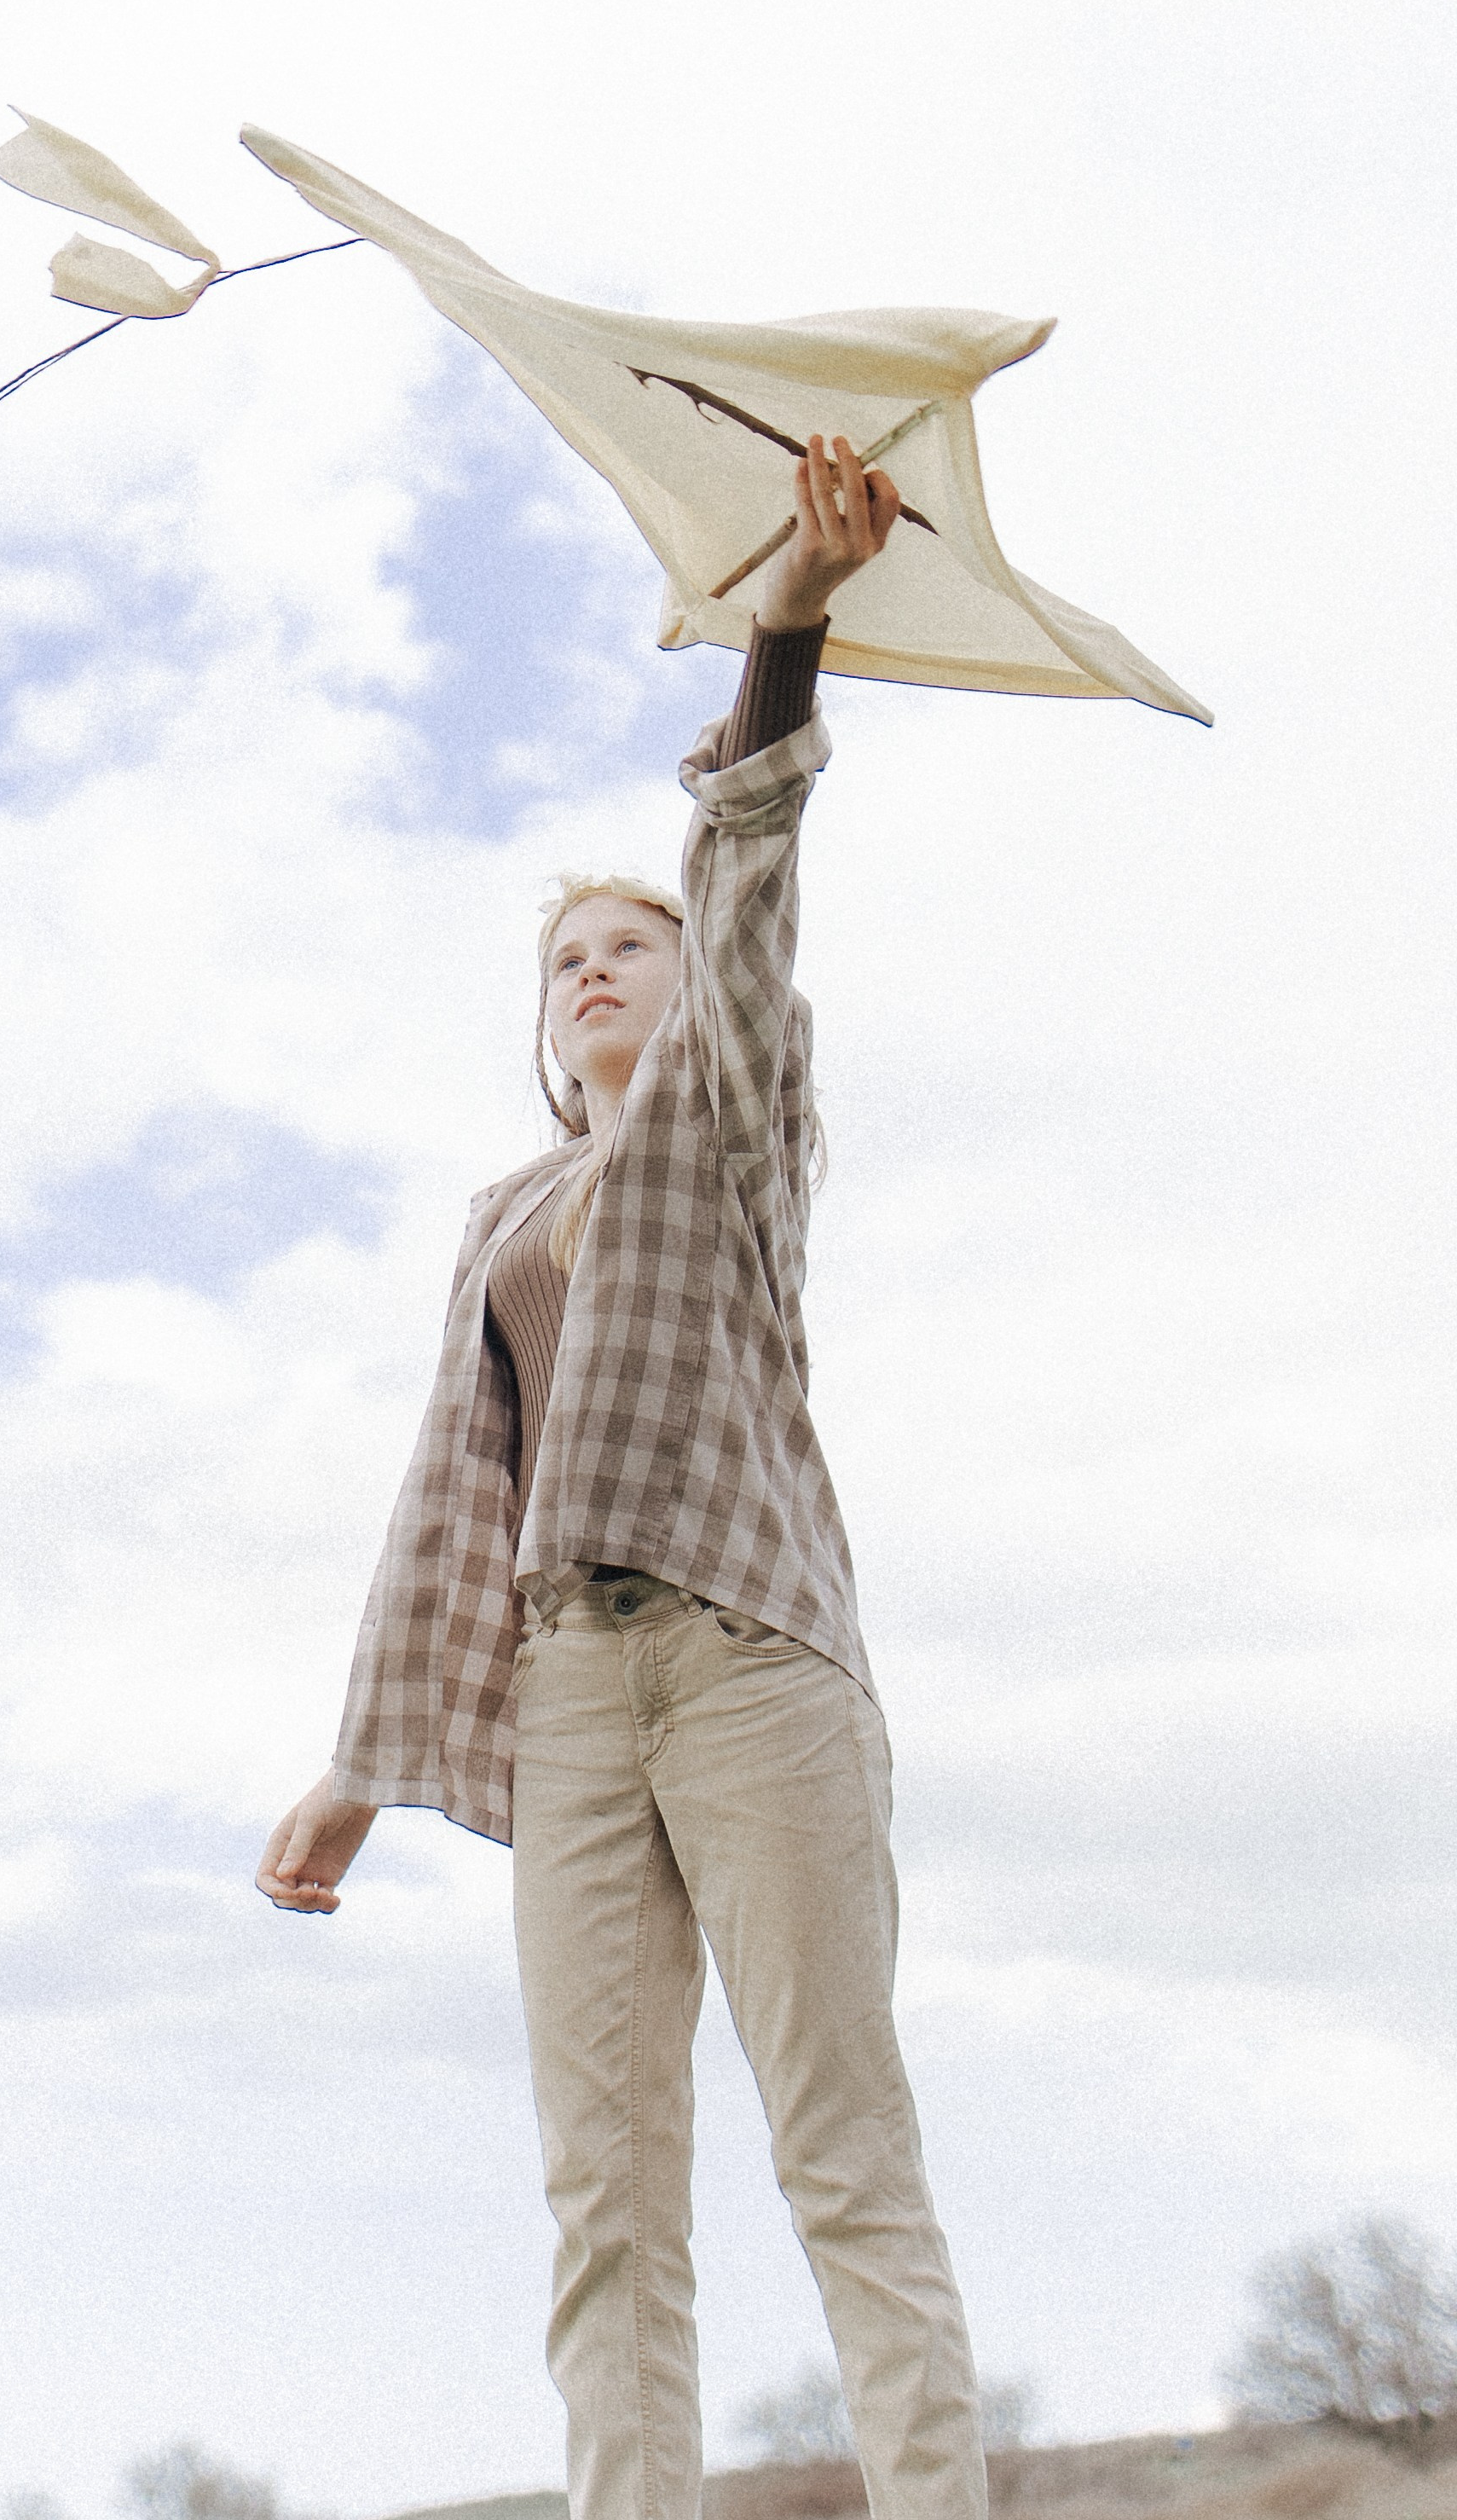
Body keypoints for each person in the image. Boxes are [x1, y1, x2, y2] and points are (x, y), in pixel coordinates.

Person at [257, 434, 986, 2520]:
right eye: (566, 955)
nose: (596, 963)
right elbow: (449, 1503)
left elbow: (749, 897)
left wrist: (788, 628)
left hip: (754, 1658)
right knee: (603, 2188)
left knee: (839, 2147)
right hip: (574, 1684)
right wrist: (359, 1765)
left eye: (627, 944)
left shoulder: (734, 1126)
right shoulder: (505, 1213)